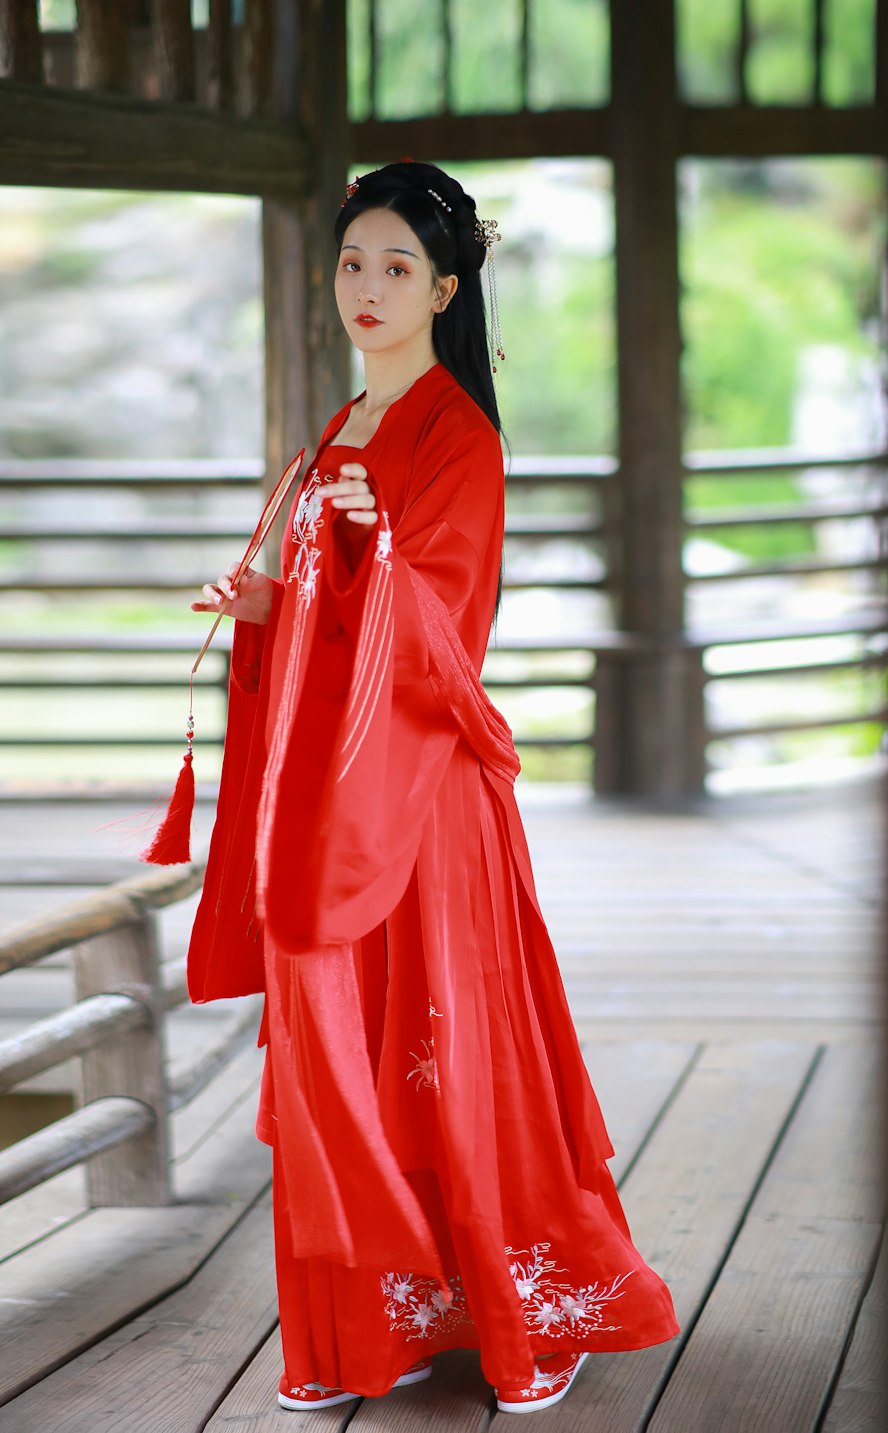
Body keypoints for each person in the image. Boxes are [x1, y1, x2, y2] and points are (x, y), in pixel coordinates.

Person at [187, 159, 679, 1415]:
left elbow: (443, 633)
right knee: (343, 1044)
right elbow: (329, 610)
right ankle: (367, 1325)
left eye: (397, 266)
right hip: (329, 792)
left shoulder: (457, 435)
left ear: (447, 287)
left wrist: (376, 548)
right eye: (353, 262)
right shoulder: (336, 432)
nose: (367, 286)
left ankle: (533, 1306)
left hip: (426, 799)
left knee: (455, 1050)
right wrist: (269, 601)